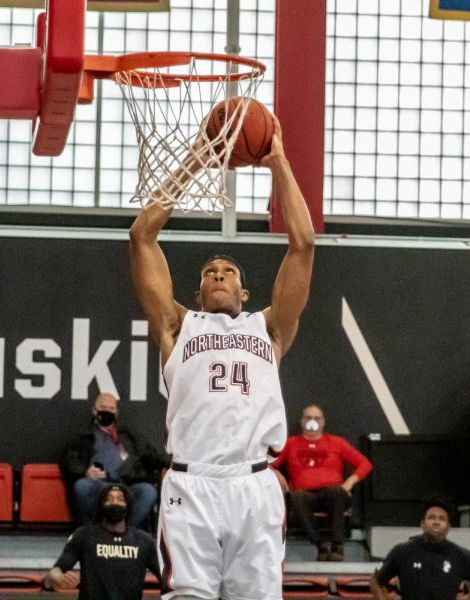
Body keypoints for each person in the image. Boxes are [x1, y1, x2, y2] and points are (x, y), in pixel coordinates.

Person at [129, 116, 314, 599]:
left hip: (254, 485)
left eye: (227, 270)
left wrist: (278, 161)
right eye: (209, 271)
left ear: (243, 290)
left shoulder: (268, 328)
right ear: (196, 290)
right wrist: (194, 160)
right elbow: (141, 237)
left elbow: (303, 245)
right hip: (192, 485)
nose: (217, 274)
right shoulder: (177, 325)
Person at [271, 404, 372, 561]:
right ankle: (321, 545)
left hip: (332, 495)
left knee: (334, 491)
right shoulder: (290, 444)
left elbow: (365, 464)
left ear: (323, 422)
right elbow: (268, 464)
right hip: (305, 496)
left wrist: (349, 482)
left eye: (316, 418)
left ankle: (338, 546)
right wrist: (277, 473)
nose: (312, 421)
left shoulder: (337, 442)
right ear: (302, 421)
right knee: (296, 496)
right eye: (308, 418)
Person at [59, 392, 169, 529]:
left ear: (116, 412)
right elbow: (69, 462)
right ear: (94, 410)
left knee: (148, 491)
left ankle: (125, 532)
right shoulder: (83, 436)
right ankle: (91, 532)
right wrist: (86, 472)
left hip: (127, 484)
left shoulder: (128, 435)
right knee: (82, 486)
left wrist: (172, 461)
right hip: (98, 484)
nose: (107, 412)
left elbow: (151, 455)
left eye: (111, 409)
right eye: (103, 407)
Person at [46, 482, 160, 600]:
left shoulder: (144, 540)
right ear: (101, 505)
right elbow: (57, 570)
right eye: (109, 499)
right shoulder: (84, 535)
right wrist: (56, 577)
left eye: (120, 499)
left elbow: (167, 578)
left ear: (128, 505)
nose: (114, 502)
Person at [369, 497, 470, 600]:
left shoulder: (461, 556)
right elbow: (376, 582)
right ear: (423, 524)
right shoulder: (402, 552)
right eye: (431, 518)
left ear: (448, 527)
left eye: (442, 519)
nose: (436, 522)